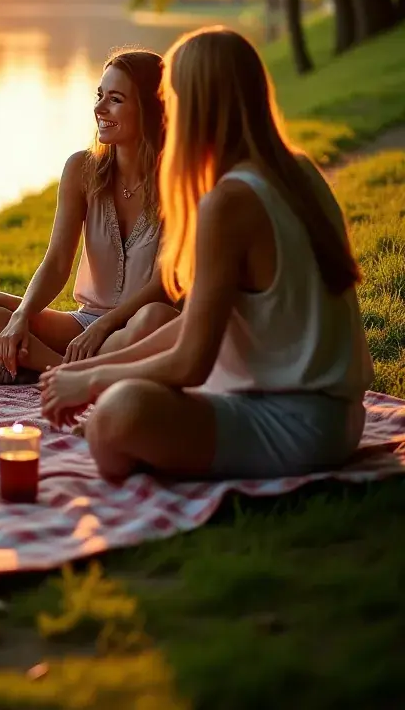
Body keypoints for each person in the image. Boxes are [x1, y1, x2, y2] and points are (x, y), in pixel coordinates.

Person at [41, 27, 374, 481]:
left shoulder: (229, 201)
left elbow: (191, 361)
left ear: (198, 104)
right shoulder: (296, 170)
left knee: (118, 414)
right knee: (120, 400)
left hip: (291, 423)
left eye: (172, 99)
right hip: (336, 415)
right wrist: (90, 368)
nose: (167, 113)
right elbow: (191, 323)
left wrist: (95, 382)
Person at [0, 48, 178, 385]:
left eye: (115, 99)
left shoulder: (180, 183)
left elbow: (163, 286)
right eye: (99, 96)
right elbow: (56, 264)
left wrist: (105, 326)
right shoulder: (82, 170)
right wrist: (22, 316)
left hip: (136, 332)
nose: (99, 109)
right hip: (82, 326)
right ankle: (64, 373)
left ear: (151, 108)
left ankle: (38, 369)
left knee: (156, 318)